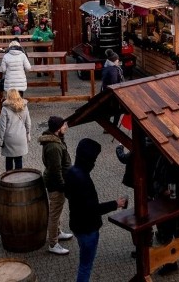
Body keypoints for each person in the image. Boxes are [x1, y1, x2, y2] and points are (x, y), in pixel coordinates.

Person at [64, 138, 128, 282]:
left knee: (84, 258)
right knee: (85, 266)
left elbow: (68, 194)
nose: (95, 162)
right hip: (88, 229)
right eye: (94, 158)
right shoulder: (83, 180)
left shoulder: (71, 172)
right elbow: (93, 209)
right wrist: (116, 203)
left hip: (76, 224)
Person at [40, 116, 74, 255]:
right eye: (63, 125)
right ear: (58, 129)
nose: (66, 126)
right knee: (54, 214)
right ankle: (53, 243)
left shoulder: (55, 140)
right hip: (56, 185)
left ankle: (58, 232)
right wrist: (62, 186)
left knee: (57, 210)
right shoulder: (54, 146)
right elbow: (55, 170)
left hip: (57, 182)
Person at [0, 88, 31, 171]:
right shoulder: (24, 106)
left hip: (9, 138)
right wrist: (28, 134)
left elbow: (2, 127)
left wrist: (0, 140)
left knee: (9, 160)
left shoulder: (5, 109)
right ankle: (18, 180)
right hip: (21, 137)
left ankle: (8, 180)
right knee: (19, 159)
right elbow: (28, 123)